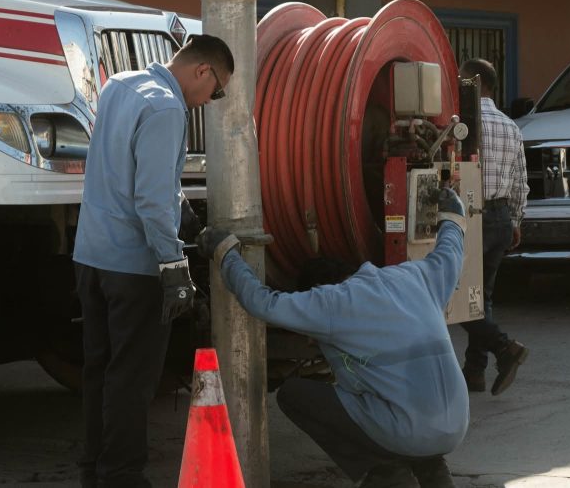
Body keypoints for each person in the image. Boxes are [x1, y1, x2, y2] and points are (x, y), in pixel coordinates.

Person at [197, 187, 470, 488]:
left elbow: (263, 303)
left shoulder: (331, 302)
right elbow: (450, 252)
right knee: (400, 395)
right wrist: (452, 216)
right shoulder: (415, 277)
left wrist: (226, 253)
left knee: (294, 395)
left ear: (318, 288)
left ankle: (386, 473)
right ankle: (435, 476)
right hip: (456, 425)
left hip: (407, 431)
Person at [73, 34, 233, 488]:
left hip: (91, 258)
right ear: (203, 71)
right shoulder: (167, 108)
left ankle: (95, 472)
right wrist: (173, 267)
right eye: (216, 90)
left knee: (99, 370)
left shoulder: (119, 85)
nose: (210, 100)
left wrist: (190, 222)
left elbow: (137, 177)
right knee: (132, 379)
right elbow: (151, 197)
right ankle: (121, 477)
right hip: (133, 267)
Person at [458, 58, 530, 396]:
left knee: (453, 298)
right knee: (479, 297)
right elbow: (520, 182)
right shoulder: (511, 127)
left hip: (470, 217)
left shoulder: (462, 124)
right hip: (501, 218)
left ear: (473, 82)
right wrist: (515, 220)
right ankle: (474, 372)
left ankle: (504, 348)